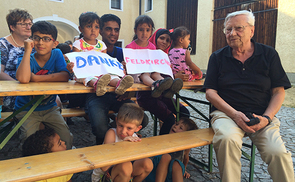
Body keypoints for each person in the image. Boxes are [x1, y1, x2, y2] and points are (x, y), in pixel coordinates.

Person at [204, 10, 294, 182]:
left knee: (278, 152)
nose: (232, 33)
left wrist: (267, 117)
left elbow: (278, 91)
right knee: (227, 139)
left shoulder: (269, 54)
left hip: (261, 115)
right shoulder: (217, 57)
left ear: (251, 31)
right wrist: (235, 115)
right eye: (228, 29)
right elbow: (210, 92)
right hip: (227, 114)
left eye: (238, 28)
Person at [85, 14, 149, 145]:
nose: (113, 33)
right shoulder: (88, 51)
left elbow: (134, 80)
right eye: (109, 29)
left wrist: (127, 92)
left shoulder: (124, 52)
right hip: (96, 96)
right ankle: (107, 143)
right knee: (100, 127)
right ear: (101, 30)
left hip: (118, 97)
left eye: (116, 29)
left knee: (142, 119)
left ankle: (118, 133)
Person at [15, 21, 73, 149]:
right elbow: (24, 79)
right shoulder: (26, 57)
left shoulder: (57, 54)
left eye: (46, 39)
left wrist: (35, 78)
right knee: (28, 140)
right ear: (31, 40)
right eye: (36, 38)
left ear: (54, 43)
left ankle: (67, 164)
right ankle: (32, 165)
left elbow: (64, 76)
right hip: (26, 109)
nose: (40, 43)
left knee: (66, 138)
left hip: (50, 107)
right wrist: (27, 51)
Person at [137, 28, 190, 135]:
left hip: (164, 95)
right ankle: (163, 148)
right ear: (155, 38)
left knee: (184, 112)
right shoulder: (145, 54)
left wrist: (175, 75)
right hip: (147, 96)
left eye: (168, 40)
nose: (164, 42)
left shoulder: (166, 56)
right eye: (161, 38)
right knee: (169, 118)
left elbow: (166, 75)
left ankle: (177, 140)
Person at [70, 12, 133, 96]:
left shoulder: (102, 45)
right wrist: (71, 66)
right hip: (86, 73)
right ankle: (97, 85)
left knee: (112, 76)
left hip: (100, 74)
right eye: (89, 26)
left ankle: (120, 84)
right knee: (88, 78)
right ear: (81, 29)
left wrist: (120, 68)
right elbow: (76, 61)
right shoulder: (78, 44)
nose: (93, 30)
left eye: (96, 27)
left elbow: (104, 62)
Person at [92, 103, 153, 182]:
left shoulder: (134, 138)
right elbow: (104, 167)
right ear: (116, 121)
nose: (123, 132)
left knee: (147, 164)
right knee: (125, 166)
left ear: (138, 128)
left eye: (129, 128)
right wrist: (122, 146)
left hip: (122, 175)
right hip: (102, 177)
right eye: (120, 125)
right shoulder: (111, 134)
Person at [126, 15, 183, 98]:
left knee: (156, 72)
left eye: (147, 30)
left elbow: (154, 62)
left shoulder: (152, 47)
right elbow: (129, 63)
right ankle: (155, 85)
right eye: (141, 30)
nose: (144, 33)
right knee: (144, 73)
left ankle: (168, 85)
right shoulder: (130, 47)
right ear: (135, 31)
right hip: (137, 74)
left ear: (151, 32)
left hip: (149, 70)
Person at [0, 9, 33, 112]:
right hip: (11, 89)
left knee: (55, 101)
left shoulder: (35, 43)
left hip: (33, 85)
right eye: (23, 24)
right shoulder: (3, 44)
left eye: (30, 23)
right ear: (12, 27)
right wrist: (19, 86)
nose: (28, 27)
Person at [145, 117, 198, 182]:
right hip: (156, 171)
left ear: (186, 136)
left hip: (171, 172)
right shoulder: (163, 139)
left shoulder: (185, 147)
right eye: (176, 124)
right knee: (166, 157)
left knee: (177, 164)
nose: (175, 126)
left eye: (180, 128)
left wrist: (184, 169)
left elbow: (185, 158)